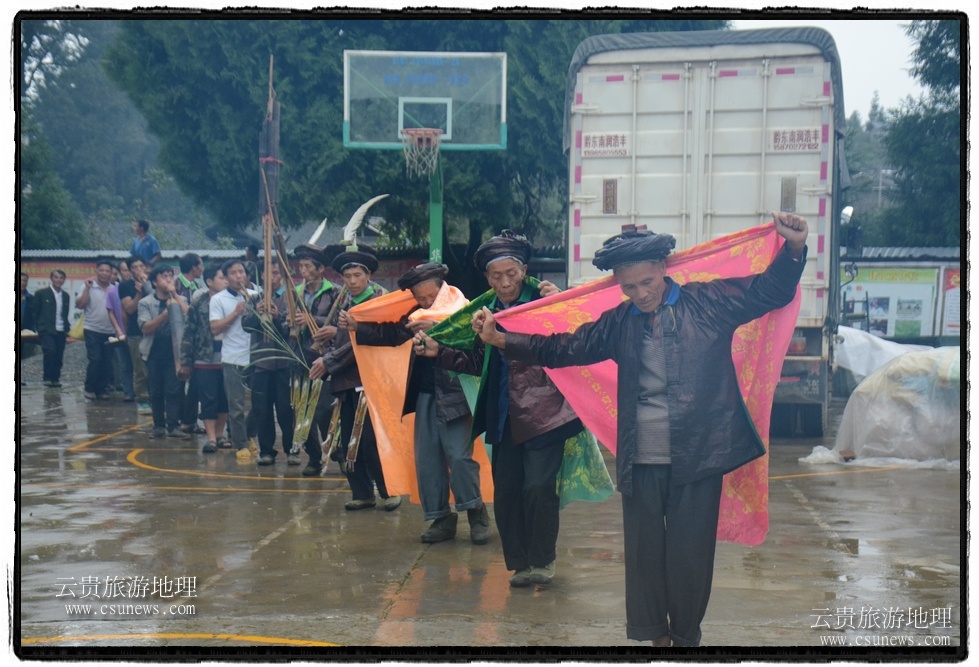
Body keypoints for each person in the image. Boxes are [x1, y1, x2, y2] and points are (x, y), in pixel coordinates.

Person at [467, 213, 809, 646]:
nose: (641, 294)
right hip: (640, 454)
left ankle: (685, 636)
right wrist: (504, 341)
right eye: (629, 287)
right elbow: (566, 347)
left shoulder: (708, 302)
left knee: (690, 552)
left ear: (664, 268)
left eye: (647, 282)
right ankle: (654, 635)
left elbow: (769, 291)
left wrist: (795, 248)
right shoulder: (620, 321)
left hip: (699, 454)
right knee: (644, 553)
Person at [414, 231, 573, 587]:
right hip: (503, 415)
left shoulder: (546, 300)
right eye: (496, 276)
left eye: (511, 274)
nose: (505, 283)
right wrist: (440, 352)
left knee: (539, 487)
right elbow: (478, 361)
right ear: (487, 277)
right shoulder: (486, 311)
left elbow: (571, 343)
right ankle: (520, 564)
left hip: (545, 413)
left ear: (524, 270)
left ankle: (543, 559)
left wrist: (560, 306)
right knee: (507, 492)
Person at [341, 263, 490, 543]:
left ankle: (475, 510)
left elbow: (473, 345)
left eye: (431, 296)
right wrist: (357, 326)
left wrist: (436, 329)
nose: (426, 302)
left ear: (442, 289)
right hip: (425, 394)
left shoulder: (463, 309)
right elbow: (393, 334)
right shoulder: (415, 314)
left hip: (456, 394)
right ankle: (441, 518)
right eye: (421, 299)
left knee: (459, 456)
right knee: (428, 459)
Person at [310, 244, 401, 511]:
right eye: (347, 276)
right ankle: (362, 493)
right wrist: (328, 349)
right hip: (347, 381)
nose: (352, 281)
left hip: (372, 381)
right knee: (351, 438)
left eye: (357, 275)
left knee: (372, 439)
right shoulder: (346, 302)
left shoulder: (377, 303)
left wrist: (329, 362)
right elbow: (342, 340)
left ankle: (389, 491)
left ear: (368, 276)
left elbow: (359, 345)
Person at [289, 243, 338, 472]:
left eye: (308, 266)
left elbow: (338, 322)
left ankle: (334, 448)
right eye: (301, 266)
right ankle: (313, 457)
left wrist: (312, 319)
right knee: (301, 409)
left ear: (320, 269)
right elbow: (285, 319)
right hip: (299, 356)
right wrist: (288, 321)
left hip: (325, 357)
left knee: (323, 409)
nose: (303, 271)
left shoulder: (335, 292)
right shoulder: (295, 292)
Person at [245, 259, 294, 465]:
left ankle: (291, 449)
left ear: (282, 276)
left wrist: (276, 317)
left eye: (276, 273)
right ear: (261, 275)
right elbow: (246, 325)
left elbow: (291, 331)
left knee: (286, 408)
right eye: (268, 273)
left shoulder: (291, 297)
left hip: (284, 363)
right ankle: (266, 450)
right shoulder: (254, 299)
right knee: (262, 409)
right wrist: (258, 313)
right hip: (261, 363)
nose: (272, 277)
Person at [210, 258, 258, 463]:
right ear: (226, 277)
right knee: (236, 404)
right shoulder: (218, 299)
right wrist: (236, 313)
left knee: (260, 402)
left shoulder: (257, 295)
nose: (239, 276)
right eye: (233, 273)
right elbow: (215, 329)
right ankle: (241, 443)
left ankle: (249, 433)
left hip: (257, 356)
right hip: (232, 357)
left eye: (241, 272)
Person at [181, 263, 230, 453]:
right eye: (222, 278)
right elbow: (188, 332)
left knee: (224, 399)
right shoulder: (199, 303)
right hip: (204, 358)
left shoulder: (233, 301)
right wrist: (186, 360)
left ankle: (219, 434)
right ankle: (210, 438)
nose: (226, 281)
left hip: (228, 357)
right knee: (208, 398)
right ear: (209, 282)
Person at [138, 265, 190, 439]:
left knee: (173, 390)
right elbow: (145, 328)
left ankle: (173, 426)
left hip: (175, 354)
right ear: (154, 282)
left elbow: (189, 316)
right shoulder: (146, 302)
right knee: (156, 391)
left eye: (170, 276)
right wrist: (163, 317)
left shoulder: (181, 299)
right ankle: (158, 426)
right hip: (153, 352)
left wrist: (175, 295)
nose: (168, 279)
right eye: (164, 276)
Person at [75, 259, 119, 401]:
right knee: (95, 359)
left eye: (107, 271)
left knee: (107, 361)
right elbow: (80, 305)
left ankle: (101, 389)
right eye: (101, 270)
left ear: (112, 273)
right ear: (96, 271)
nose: (104, 273)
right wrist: (87, 289)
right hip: (92, 329)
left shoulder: (115, 288)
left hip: (110, 331)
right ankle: (89, 388)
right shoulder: (88, 285)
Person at [175, 253, 205, 435]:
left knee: (195, 383)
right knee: (178, 381)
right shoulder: (176, 285)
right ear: (194, 267)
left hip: (195, 339)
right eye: (201, 264)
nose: (202, 268)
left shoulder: (197, 286)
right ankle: (177, 420)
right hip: (178, 339)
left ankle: (189, 420)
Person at [120, 256, 152, 414]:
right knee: (140, 368)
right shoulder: (125, 286)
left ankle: (157, 397)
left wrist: (147, 285)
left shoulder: (153, 282)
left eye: (141, 266)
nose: (139, 269)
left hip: (154, 330)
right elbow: (129, 309)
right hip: (136, 332)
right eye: (135, 267)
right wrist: (139, 293)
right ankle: (143, 399)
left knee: (155, 366)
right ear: (130, 270)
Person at [32, 269, 71, 387]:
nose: (58, 280)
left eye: (61, 278)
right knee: (50, 351)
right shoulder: (41, 293)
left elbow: (65, 313)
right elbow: (35, 312)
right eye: (56, 277)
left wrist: (67, 327)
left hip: (61, 329)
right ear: (51, 278)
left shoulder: (65, 296)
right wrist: (39, 327)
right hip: (46, 329)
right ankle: (47, 377)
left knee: (59, 355)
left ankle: (55, 378)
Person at [105, 261, 135, 402]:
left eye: (129, 269)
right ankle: (128, 391)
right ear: (119, 273)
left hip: (136, 332)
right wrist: (118, 330)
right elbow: (110, 312)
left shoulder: (139, 288)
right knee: (124, 364)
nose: (127, 272)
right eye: (124, 270)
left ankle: (141, 391)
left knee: (139, 365)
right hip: (121, 333)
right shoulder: (113, 291)